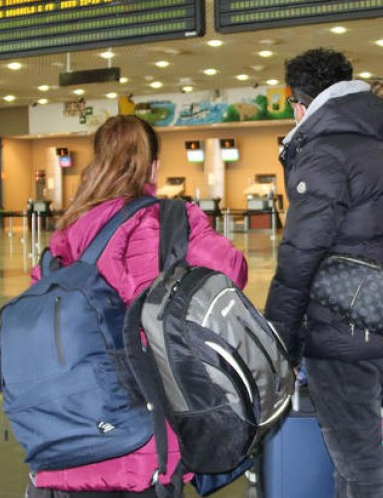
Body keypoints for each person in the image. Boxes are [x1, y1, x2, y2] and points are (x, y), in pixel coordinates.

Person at [26, 116, 248, 497]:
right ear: (155, 166)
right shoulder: (173, 220)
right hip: (145, 432)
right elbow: (233, 273)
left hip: (69, 429)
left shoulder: (69, 229)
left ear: (98, 163)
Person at [265, 48, 383, 498]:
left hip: (344, 330)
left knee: (357, 461)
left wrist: (278, 337)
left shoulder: (324, 152)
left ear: (300, 101)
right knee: (355, 451)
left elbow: (300, 255)